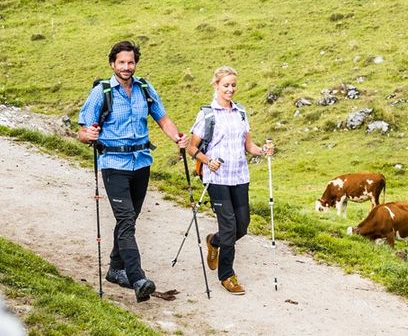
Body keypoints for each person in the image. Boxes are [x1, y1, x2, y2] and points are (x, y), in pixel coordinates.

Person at [77, 40, 187, 302]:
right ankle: (137, 278)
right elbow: (82, 131)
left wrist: (177, 138)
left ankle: (116, 270)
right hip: (113, 164)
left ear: (135, 63)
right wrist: (87, 134)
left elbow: (163, 119)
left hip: (141, 162)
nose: (126, 67)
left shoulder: (145, 89)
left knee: (130, 219)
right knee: (126, 219)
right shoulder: (101, 92)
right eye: (122, 62)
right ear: (112, 64)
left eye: (131, 62)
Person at [187, 66, 275, 295]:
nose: (230, 89)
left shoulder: (241, 112)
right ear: (216, 85)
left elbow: (249, 146)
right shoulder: (207, 114)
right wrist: (207, 161)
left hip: (240, 176)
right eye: (226, 85)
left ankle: (214, 242)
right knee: (228, 226)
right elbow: (192, 147)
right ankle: (227, 275)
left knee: (242, 226)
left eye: (233, 85)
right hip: (217, 178)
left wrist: (263, 151)